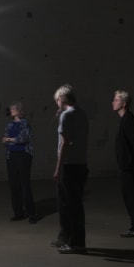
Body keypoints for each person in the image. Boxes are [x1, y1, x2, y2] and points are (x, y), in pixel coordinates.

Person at [52, 84, 89, 254]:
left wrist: (58, 168)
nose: (56, 104)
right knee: (73, 204)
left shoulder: (67, 115)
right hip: (81, 164)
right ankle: (66, 237)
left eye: (57, 100)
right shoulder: (81, 113)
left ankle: (76, 243)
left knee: (69, 205)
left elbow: (65, 144)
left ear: (63, 99)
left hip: (69, 165)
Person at [112, 90, 134, 237]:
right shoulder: (124, 120)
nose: (112, 102)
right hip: (127, 166)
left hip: (130, 167)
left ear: (124, 103)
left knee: (132, 197)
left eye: (115, 100)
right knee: (130, 197)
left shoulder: (128, 120)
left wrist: (131, 164)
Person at [2, 101, 37, 223]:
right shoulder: (9, 124)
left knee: (24, 184)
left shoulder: (25, 123)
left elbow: (23, 138)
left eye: (12, 108)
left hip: (23, 155)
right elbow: (4, 140)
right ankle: (18, 213)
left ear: (18, 110)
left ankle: (31, 213)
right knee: (14, 185)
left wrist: (10, 139)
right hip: (11, 155)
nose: (10, 110)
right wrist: (9, 140)